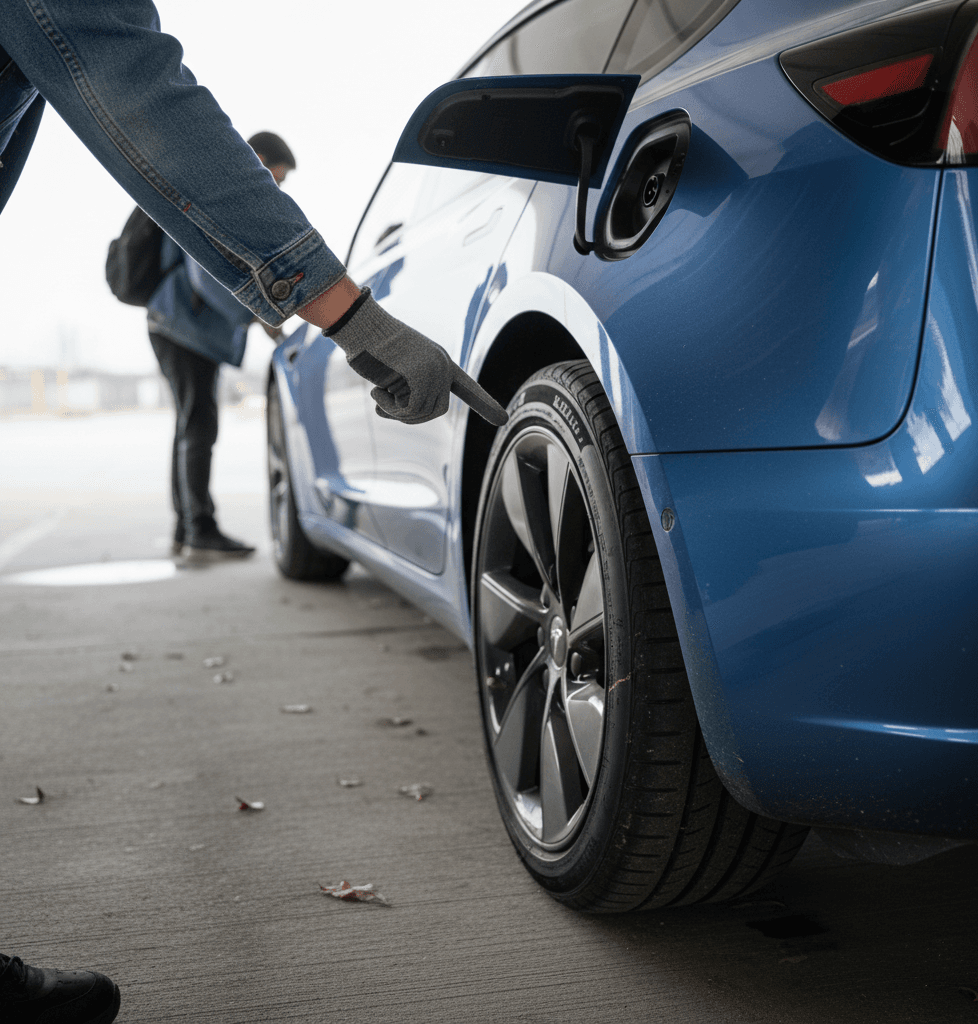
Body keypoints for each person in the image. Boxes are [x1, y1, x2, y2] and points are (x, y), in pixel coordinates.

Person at [0, 2, 507, 1020]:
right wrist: (350, 314)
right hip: (195, 328)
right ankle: (194, 522)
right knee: (194, 430)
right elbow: (144, 104)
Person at [147, 131, 296, 563]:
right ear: (259, 159)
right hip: (182, 326)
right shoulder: (217, 196)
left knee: (189, 426)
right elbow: (205, 276)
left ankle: (187, 528)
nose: (276, 189)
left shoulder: (217, 191)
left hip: (178, 324)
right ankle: (200, 529)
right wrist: (259, 315)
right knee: (198, 427)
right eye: (276, 178)